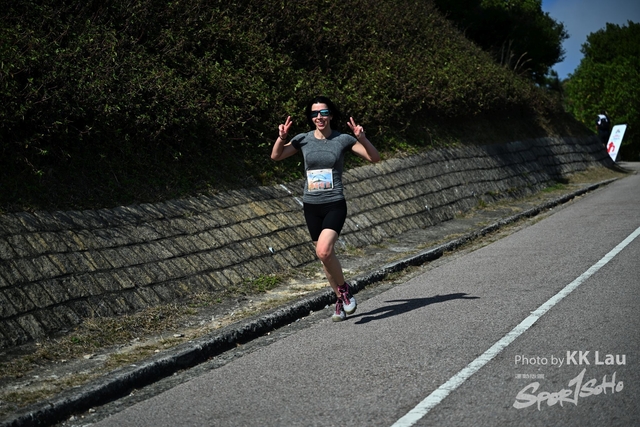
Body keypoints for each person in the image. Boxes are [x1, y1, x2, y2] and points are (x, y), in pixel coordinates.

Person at [270, 96, 381, 321]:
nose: (319, 117)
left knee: (324, 251)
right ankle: (340, 300)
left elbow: (374, 158)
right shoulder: (303, 139)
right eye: (314, 114)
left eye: (323, 113)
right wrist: (282, 138)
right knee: (325, 258)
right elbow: (276, 156)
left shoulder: (342, 139)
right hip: (311, 205)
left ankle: (344, 291)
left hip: (334, 203)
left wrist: (362, 138)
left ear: (331, 115)